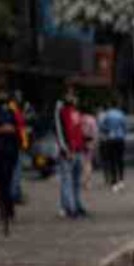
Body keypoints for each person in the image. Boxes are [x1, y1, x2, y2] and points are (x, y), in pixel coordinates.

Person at [0, 89, 22, 222]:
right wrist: (3, 129)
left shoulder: (11, 111)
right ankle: (4, 210)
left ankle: (9, 209)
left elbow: (18, 127)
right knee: (3, 183)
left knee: (9, 182)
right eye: (0, 94)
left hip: (11, 151)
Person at [54, 88, 87, 218]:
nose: (73, 97)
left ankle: (76, 205)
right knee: (67, 180)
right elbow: (60, 131)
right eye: (70, 94)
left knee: (76, 181)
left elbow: (78, 131)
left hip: (78, 150)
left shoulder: (75, 111)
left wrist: (84, 145)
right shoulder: (61, 110)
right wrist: (65, 149)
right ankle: (71, 208)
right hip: (68, 151)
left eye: (73, 94)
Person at [100, 102, 128, 192]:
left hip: (111, 139)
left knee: (112, 161)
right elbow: (125, 126)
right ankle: (121, 180)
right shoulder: (121, 114)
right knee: (120, 160)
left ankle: (114, 182)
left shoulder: (107, 114)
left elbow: (102, 126)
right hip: (120, 139)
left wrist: (108, 130)